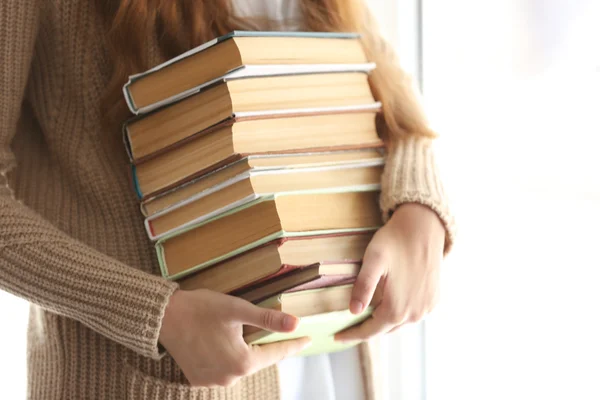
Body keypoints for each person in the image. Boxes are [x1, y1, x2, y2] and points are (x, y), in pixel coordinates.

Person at [0, 0, 455, 399]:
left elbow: (385, 95)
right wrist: (157, 314)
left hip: (330, 361)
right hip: (144, 379)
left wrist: (419, 211)